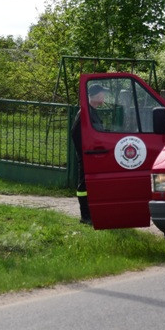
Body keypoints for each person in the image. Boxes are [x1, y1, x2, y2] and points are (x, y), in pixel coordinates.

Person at [70, 83, 107, 224]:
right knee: (83, 186)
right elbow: (75, 133)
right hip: (87, 156)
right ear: (97, 95)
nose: (104, 96)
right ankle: (85, 217)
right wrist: (84, 153)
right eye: (103, 94)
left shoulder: (92, 111)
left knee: (90, 185)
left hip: (93, 156)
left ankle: (91, 214)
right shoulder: (85, 112)